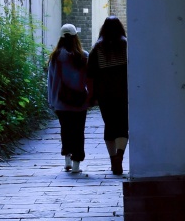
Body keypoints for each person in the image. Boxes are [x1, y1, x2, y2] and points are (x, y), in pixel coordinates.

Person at [47, 23, 92, 175]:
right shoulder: (84, 56)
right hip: (80, 102)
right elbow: (89, 80)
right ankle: (76, 164)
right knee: (78, 132)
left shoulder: (55, 58)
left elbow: (52, 81)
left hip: (61, 102)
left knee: (65, 130)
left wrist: (52, 101)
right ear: (75, 37)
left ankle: (67, 158)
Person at [87, 16, 128, 175]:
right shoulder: (126, 45)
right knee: (122, 125)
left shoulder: (97, 48)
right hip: (124, 91)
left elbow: (90, 75)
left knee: (110, 125)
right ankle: (119, 156)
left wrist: (91, 96)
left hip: (104, 93)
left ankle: (113, 160)